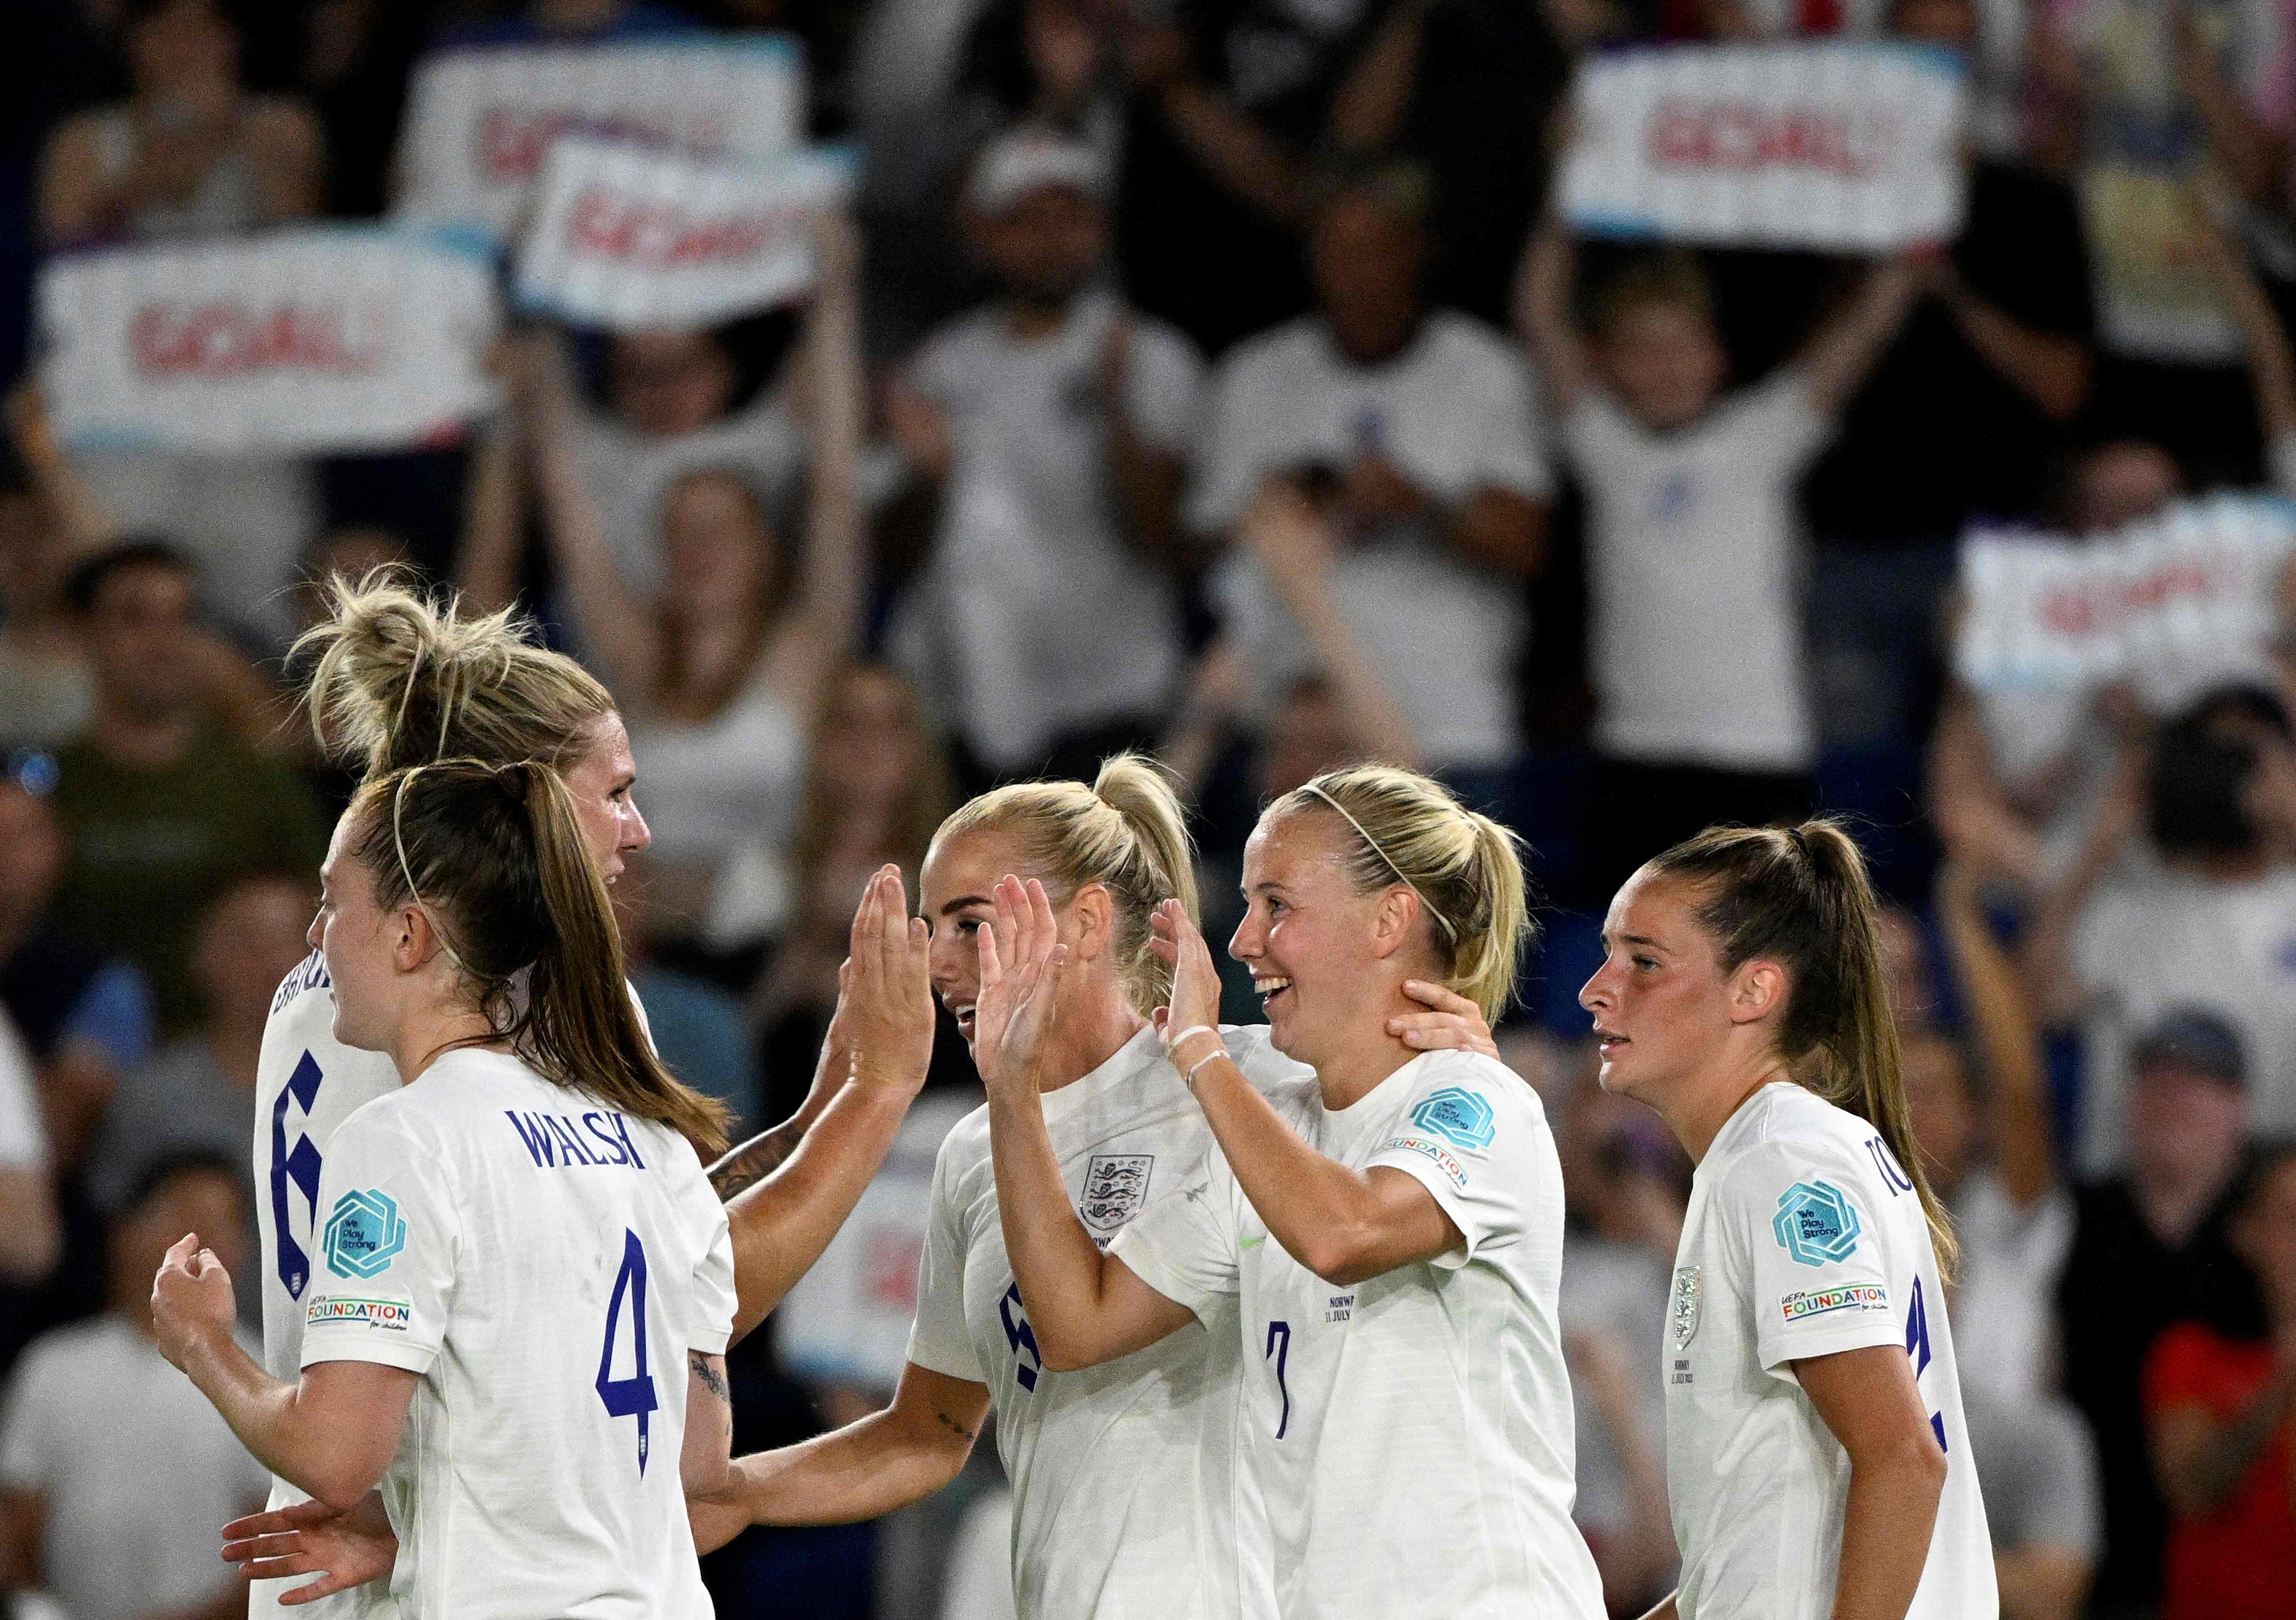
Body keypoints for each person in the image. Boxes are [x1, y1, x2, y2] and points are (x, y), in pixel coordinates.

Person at [224, 576, 936, 1614]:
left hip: (386, 1538)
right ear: (528, 804)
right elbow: (662, 1302)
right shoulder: (485, 1009)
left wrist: (818, 1113)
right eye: (614, 791)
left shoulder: (357, 981)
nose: (638, 829)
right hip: (443, 1555)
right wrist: (873, 1100)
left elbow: (632, 1235)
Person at [690, 757, 1503, 1617]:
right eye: (932, 931)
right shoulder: (973, 1151)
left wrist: (1453, 1061)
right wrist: (736, 1491)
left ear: (1084, 921)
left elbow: (1410, 1150)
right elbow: (928, 1430)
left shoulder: (1254, 1080)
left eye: (973, 923)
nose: (943, 964)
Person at [971, 763, 1603, 1619]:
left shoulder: (1478, 1100)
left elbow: (1344, 1233)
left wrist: (1199, 1047)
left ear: (1389, 919)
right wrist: (1012, 1089)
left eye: (1278, 904)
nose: (1242, 941)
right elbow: (1076, 1326)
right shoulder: (1276, 1140)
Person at [148, 758, 740, 1616]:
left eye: (333, 901)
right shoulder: (651, 1130)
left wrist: (204, 1344)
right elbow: (694, 1462)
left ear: (408, 936)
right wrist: (415, 1534)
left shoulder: (405, 1139)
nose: (315, 937)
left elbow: (336, 1453)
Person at [1577, 820, 1996, 1620]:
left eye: (1645, 962)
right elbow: (1755, 1566)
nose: (1596, 987)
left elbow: (1905, 1459)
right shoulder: (1768, 1155)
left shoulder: (1783, 1165)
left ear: (1754, 991)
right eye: (1607, 952)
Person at [1518, 221, 1920, 896]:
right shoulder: (1604, 445)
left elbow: (1867, 328)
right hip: (1636, 756)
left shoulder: (1763, 435)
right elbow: (1538, 314)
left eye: (1682, 345)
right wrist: (1567, 197)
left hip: (1757, 752)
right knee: (1641, 971)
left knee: (1769, 964)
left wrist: (1911, 218)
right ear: (1607, 360)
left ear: (1717, 355)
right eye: (1642, 349)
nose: (1666, 366)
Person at [518, 213, 867, 959]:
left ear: (765, 552)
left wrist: (834, 298)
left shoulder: (801, 654)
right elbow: (567, 501)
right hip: (632, 954)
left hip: (778, 956)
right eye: (681, 533)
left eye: (720, 530)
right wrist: (537, 300)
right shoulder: (635, 658)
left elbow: (837, 486)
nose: (699, 550)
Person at [1195, 162, 1552, 784]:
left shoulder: (1485, 371)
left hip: (1448, 726)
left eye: (1376, 249)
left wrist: (1418, 503)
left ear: (1416, 251)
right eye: (1339, 251)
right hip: (1293, 737)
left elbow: (1527, 543)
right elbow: (1193, 544)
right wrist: (1284, 510)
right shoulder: (1255, 375)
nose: (1359, 272)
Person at [886, 128, 1202, 782]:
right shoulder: (940, 367)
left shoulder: (1148, 354)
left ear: (1101, 230)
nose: (1050, 238)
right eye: (1025, 220)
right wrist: (927, 479)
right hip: (966, 698)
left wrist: (1117, 414)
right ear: (985, 235)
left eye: (1069, 218)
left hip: (1112, 698)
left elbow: (1166, 542)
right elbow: (895, 557)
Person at [36, 0, 328, 646]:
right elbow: (65, 265)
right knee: (125, 581)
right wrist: (154, 169)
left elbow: (308, 248)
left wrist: (233, 140)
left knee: (266, 591)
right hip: (129, 414)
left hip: (255, 412)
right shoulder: (85, 140)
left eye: (205, 27)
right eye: (164, 28)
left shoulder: (283, 125)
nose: (185, 46)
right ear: (133, 45)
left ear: (235, 40)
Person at [46, 541, 328, 1035]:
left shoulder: (258, 782)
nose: (162, 641)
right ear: (83, 632)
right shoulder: (48, 790)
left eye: (181, 617)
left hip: (237, 1065)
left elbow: (323, 929)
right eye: (134, 618)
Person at [2053, 1006, 2264, 1620]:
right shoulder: (2076, 1221)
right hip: (2090, 1566)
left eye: (2196, 1081)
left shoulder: (2275, 1230)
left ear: (2239, 1109)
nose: (2170, 1096)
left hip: (2243, 1575)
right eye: (2154, 1079)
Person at [0, 1152, 268, 1620]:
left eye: (226, 1224)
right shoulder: (53, 1367)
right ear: (124, 1232)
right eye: (188, 1219)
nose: (208, 1244)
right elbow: (17, 1528)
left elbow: (278, 1541)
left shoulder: (265, 1373)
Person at [85, 869, 311, 1221]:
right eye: (250, 940)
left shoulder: (366, 1089)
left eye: (292, 940)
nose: (274, 962)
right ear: (203, 954)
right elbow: (115, 1237)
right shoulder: (151, 1096)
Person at [2144, 1139, 2296, 1620]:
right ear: (2247, 1232)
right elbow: (2192, 1489)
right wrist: (2278, 1389)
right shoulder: (2191, 1352)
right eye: (2294, 1218)